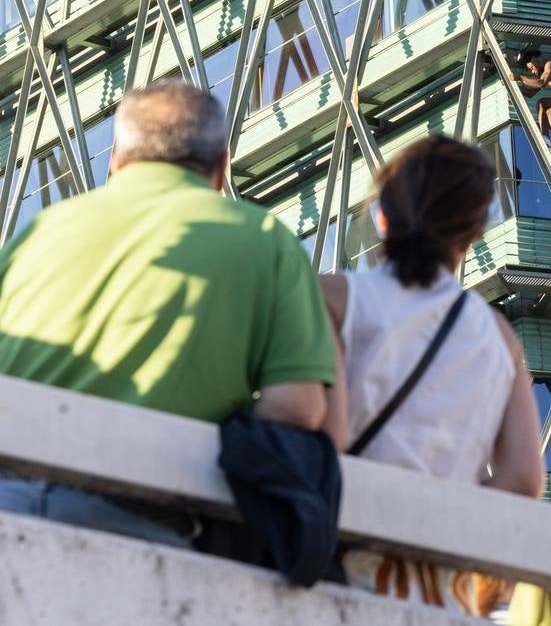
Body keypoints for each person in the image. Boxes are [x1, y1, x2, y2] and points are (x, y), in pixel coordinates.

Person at [0, 80, 338, 547]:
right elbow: (297, 407)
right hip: (142, 527)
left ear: (116, 161)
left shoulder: (37, 233)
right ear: (221, 169)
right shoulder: (265, 240)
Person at [322, 134, 544, 617]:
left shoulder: (333, 298)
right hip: (445, 593)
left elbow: (323, 437)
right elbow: (524, 478)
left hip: (341, 573)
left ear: (383, 216)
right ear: (475, 230)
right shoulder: (498, 336)